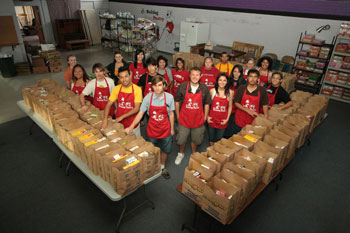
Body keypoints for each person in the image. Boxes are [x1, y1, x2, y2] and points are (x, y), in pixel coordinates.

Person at [125, 75, 175, 179]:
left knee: (165, 149)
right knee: (151, 149)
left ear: (164, 86)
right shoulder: (148, 98)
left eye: (160, 85)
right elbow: (140, 113)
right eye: (155, 86)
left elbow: (171, 114)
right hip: (152, 130)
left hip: (165, 129)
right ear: (152, 87)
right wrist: (131, 127)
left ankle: (162, 167)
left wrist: (172, 128)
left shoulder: (169, 97)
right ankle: (152, 167)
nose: (157, 88)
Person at [175, 67, 211, 165]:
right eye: (193, 74)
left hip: (198, 119)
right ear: (189, 75)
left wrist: (205, 117)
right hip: (184, 118)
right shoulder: (182, 86)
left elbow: (207, 104)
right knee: (181, 138)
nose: (195, 77)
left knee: (196, 139)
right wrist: (178, 115)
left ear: (200, 76)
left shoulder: (204, 88)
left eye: (197, 75)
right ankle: (180, 153)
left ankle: (194, 154)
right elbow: (177, 101)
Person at [102, 66, 143, 136]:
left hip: (133, 125)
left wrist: (122, 117)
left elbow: (136, 109)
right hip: (120, 125)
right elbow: (108, 104)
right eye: (121, 77)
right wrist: (105, 119)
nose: (124, 79)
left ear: (130, 76)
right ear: (119, 78)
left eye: (126, 76)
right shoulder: (116, 89)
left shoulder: (137, 89)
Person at [207, 73, 233, 145]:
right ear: (217, 81)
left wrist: (227, 119)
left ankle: (216, 152)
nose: (222, 82)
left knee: (219, 139)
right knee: (211, 138)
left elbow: (230, 106)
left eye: (224, 80)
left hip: (222, 120)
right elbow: (207, 105)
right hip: (212, 119)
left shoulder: (230, 92)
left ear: (227, 82)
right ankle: (211, 152)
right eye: (220, 80)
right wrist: (207, 116)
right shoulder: (212, 91)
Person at [224, 64, 246, 138]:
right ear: (232, 72)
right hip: (227, 105)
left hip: (236, 107)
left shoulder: (244, 83)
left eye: (238, 72)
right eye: (235, 71)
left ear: (241, 73)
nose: (236, 73)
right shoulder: (228, 80)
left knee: (232, 124)